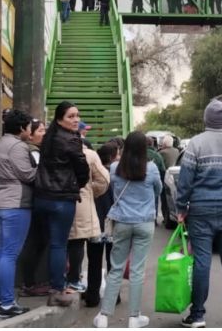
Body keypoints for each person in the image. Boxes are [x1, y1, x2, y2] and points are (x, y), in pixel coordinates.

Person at [176, 100, 222, 328]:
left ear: (206, 119)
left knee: (202, 262)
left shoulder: (196, 144)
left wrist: (181, 207)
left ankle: (197, 315)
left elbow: (185, 181)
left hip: (200, 210)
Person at [93, 132, 162, 328]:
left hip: (122, 222)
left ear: (125, 148)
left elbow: (112, 187)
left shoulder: (115, 167)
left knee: (116, 268)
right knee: (137, 270)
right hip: (144, 222)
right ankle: (134, 317)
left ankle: (104, 316)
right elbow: (158, 190)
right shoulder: (152, 169)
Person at [33, 101, 90, 307]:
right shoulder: (71, 140)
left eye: (77, 115)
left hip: (41, 197)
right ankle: (57, 288)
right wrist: (77, 184)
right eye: (71, 116)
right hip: (61, 198)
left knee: (46, 242)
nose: (76, 120)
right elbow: (82, 169)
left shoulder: (48, 137)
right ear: (60, 119)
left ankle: (39, 282)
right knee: (59, 244)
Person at [0, 110, 37, 318]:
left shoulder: (3, 142)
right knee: (10, 254)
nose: (31, 130)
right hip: (16, 202)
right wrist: (45, 167)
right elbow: (28, 174)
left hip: (4, 201)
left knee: (3, 253)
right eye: (29, 126)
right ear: (21, 128)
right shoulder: (18, 146)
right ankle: (7, 304)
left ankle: (1, 300)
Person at [65, 139, 109, 293]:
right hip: (80, 203)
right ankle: (73, 279)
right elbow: (104, 180)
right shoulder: (89, 155)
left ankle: (59, 279)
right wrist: (91, 192)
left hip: (55, 200)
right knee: (77, 241)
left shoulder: (53, 151)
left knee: (59, 243)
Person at [83, 142, 120, 308]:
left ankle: (92, 295)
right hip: (113, 223)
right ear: (113, 157)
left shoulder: (93, 174)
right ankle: (114, 296)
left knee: (94, 261)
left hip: (95, 222)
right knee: (113, 262)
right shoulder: (117, 175)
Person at [19, 119, 51, 297]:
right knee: (35, 243)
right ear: (30, 134)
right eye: (40, 130)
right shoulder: (33, 152)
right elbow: (39, 175)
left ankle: (29, 282)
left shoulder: (30, 150)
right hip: (34, 202)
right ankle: (30, 283)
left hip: (30, 202)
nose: (44, 133)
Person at [146, 136, 168, 226]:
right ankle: (153, 219)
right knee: (154, 200)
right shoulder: (157, 155)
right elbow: (163, 170)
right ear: (152, 144)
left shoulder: (136, 154)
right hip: (152, 183)